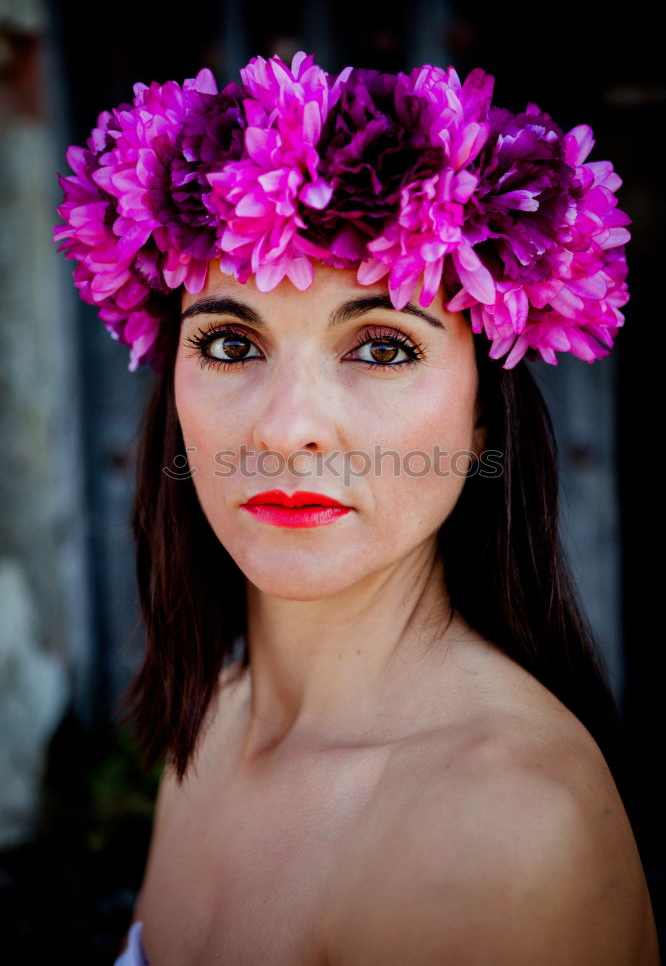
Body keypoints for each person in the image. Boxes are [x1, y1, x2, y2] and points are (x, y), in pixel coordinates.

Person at [55, 53, 660, 964]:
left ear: (484, 413)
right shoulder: (218, 711)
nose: (289, 428)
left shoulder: (499, 829)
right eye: (227, 341)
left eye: (381, 348)